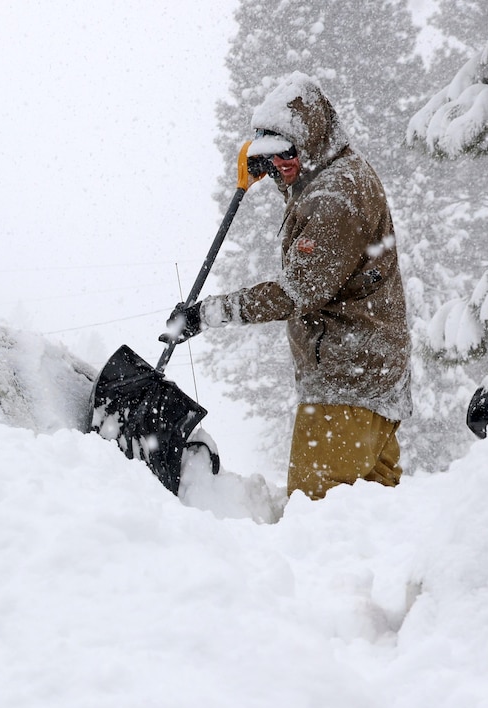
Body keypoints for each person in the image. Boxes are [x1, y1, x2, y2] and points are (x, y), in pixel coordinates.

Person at [164, 73, 413, 501]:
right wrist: (279, 177)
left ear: (311, 141)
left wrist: (208, 314)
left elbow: (297, 291)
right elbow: (307, 201)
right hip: (370, 385)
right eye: (270, 156)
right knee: (373, 522)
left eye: (287, 153)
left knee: (319, 522)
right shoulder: (332, 174)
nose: (280, 165)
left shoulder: (336, 195)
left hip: (344, 388)